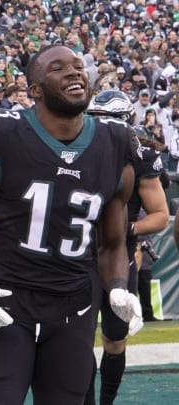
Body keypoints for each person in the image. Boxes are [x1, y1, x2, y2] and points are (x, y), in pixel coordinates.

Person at [0, 45, 143, 405]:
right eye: (58, 68)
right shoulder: (3, 134)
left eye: (79, 66)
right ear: (34, 90)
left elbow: (111, 243)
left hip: (75, 308)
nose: (74, 72)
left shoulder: (116, 142)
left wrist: (116, 286)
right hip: (11, 306)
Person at [84, 90, 169, 405]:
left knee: (115, 339)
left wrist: (127, 228)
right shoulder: (73, 150)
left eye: (105, 120)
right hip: (78, 254)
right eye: (94, 119)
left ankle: (106, 401)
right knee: (76, 339)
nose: (98, 127)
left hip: (120, 256)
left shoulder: (142, 157)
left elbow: (160, 216)